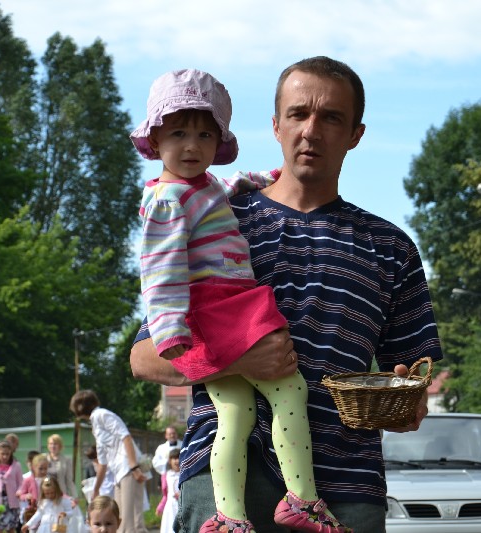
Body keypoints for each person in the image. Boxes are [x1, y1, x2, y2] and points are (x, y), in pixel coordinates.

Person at [129, 56, 443, 533]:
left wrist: (405, 400)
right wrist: (237, 361)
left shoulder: (390, 247)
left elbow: (412, 377)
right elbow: (144, 358)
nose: (311, 131)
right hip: (226, 488)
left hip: (346, 488)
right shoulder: (215, 219)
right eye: (298, 114)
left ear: (356, 134)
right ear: (276, 126)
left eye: (331, 117)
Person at [131, 67, 351, 533]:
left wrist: (262, 178)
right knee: (290, 390)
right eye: (179, 134)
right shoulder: (166, 201)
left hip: (217, 310)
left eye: (204, 135)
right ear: (156, 138)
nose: (192, 146)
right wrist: (169, 331)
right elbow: (160, 272)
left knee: (235, 411)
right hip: (222, 307)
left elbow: (227, 188)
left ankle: (230, 517)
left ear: (218, 142)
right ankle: (302, 498)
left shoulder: (201, 186)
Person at [69, 390, 150, 533]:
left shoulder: (102, 415)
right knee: (119, 516)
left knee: (129, 520)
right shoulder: (95, 424)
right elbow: (103, 463)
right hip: (118, 473)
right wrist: (96, 489)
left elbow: (126, 437)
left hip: (128, 468)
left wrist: (134, 467)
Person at [0, 439, 24, 533]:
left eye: (7, 454)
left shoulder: (16, 465)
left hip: (12, 502)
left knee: (11, 528)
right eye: (2, 454)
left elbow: (21, 483)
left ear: (11, 453)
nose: (5, 456)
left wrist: (19, 492)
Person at [155, 449, 179, 533]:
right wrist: (160, 507)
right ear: (170, 461)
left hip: (182, 507)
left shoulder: (185, 474)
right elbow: (165, 495)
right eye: (174, 458)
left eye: (179, 458)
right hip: (170, 509)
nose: (177, 461)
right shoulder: (166, 475)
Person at [45, 434, 75, 499]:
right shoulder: (44, 458)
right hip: (46, 493)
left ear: (60, 446)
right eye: (51, 444)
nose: (53, 446)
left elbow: (69, 480)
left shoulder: (67, 460)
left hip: (61, 494)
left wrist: (74, 495)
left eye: (55, 444)